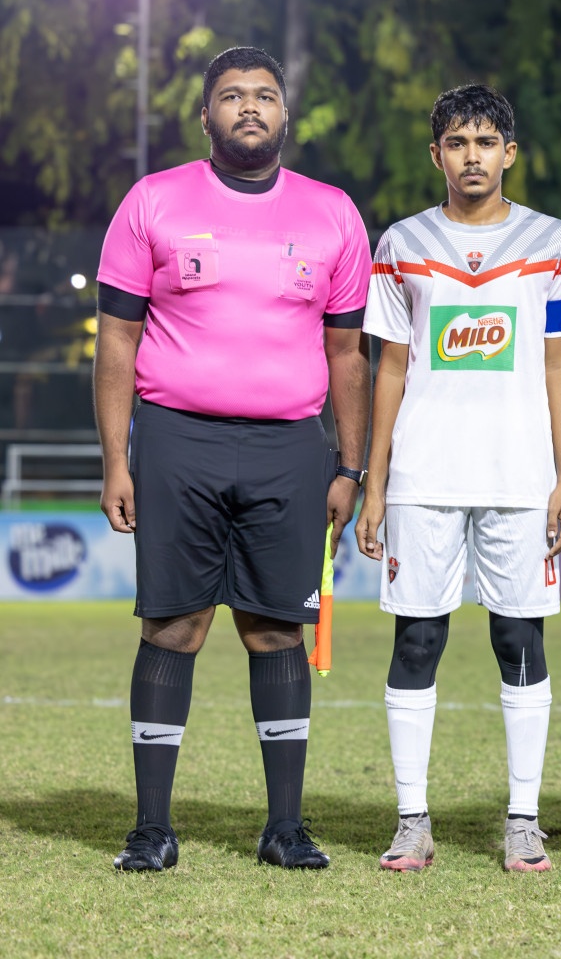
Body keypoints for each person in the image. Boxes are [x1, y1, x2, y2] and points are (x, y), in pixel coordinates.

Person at [95, 46, 371, 872]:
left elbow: (348, 353)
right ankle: (152, 829)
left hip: (291, 448)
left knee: (277, 631)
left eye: (264, 95)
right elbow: (117, 340)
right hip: (178, 438)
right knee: (174, 625)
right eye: (231, 96)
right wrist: (118, 460)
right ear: (206, 114)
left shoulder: (333, 214)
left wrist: (349, 467)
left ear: (285, 114)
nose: (249, 107)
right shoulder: (153, 202)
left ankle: (284, 828)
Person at [355, 85, 561, 874]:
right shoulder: (401, 242)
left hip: (520, 475)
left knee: (519, 635)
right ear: (437, 154)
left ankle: (524, 819)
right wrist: (374, 483)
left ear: (510, 152)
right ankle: (412, 819)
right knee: (417, 636)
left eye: (487, 141)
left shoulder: (551, 239)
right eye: (457, 142)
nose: (473, 155)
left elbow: (560, 361)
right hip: (422, 475)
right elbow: (389, 366)